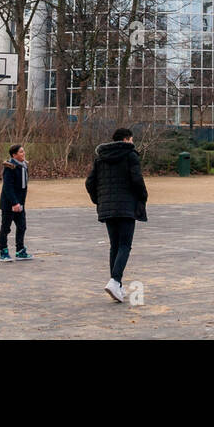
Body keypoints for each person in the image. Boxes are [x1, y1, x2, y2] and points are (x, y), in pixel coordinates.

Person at [84, 127, 148, 303]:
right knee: (125, 245)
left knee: (115, 245)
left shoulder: (100, 158)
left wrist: (99, 199)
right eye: (132, 139)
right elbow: (137, 180)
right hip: (126, 206)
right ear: (127, 140)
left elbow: (90, 183)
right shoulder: (130, 155)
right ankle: (115, 280)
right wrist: (143, 196)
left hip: (108, 207)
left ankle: (117, 285)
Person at [0, 144, 32, 261]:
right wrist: (14, 203)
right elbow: (8, 187)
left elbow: (23, 187)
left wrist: (21, 203)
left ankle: (20, 250)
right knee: (6, 228)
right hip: (9, 204)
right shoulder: (10, 167)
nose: (24, 153)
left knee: (22, 226)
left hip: (20, 203)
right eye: (21, 152)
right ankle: (3, 251)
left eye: (23, 151)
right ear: (14, 155)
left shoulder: (23, 166)